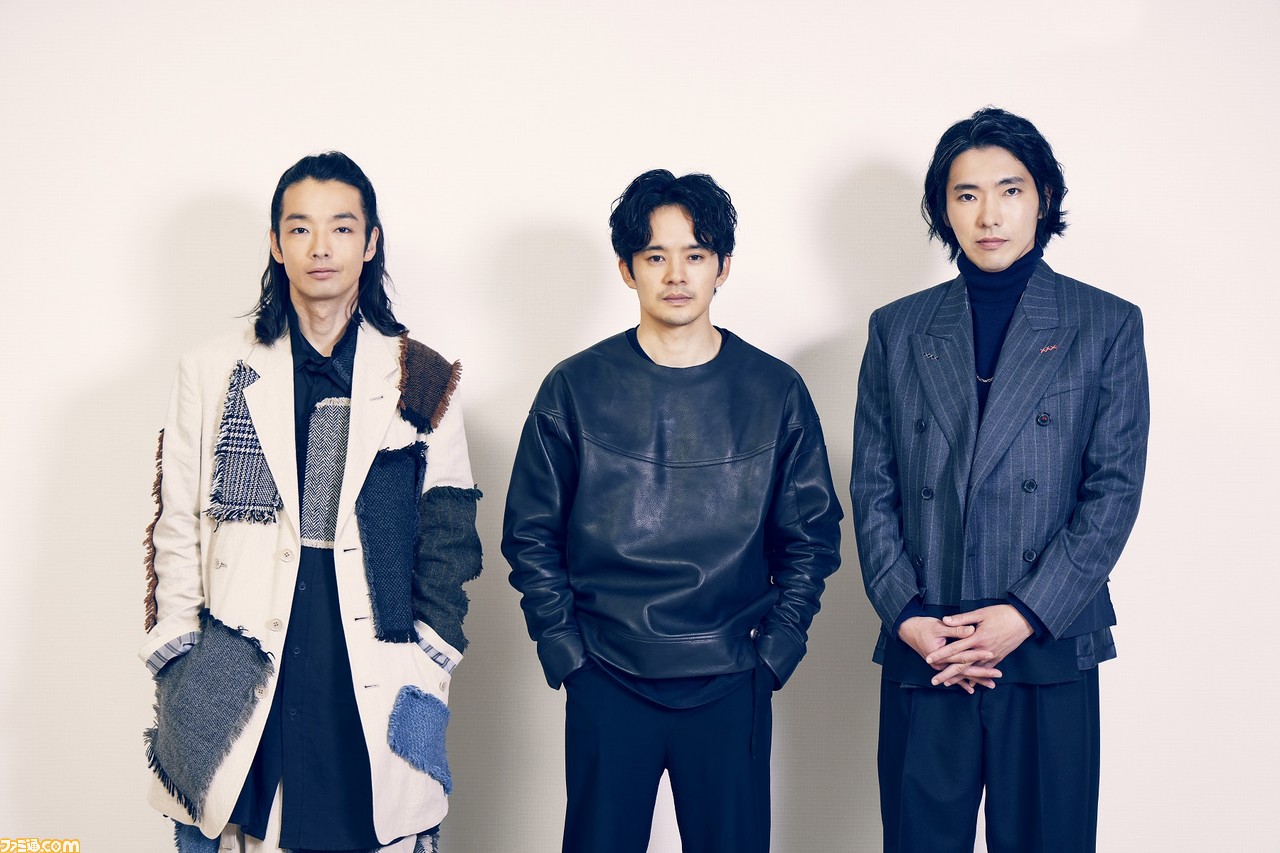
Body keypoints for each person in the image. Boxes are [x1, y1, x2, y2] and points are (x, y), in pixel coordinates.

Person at [141, 152, 483, 853]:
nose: (321, 247)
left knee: (369, 822)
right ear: (276, 244)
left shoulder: (421, 374)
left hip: (367, 652)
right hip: (239, 648)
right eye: (300, 228)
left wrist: (432, 648)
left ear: (371, 241)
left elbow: (448, 530)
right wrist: (177, 642)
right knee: (236, 824)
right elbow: (177, 518)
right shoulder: (211, 368)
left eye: (341, 228)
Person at [503, 169, 843, 853]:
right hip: (607, 674)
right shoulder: (573, 388)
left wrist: (774, 653)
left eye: (695, 254)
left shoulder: (775, 391)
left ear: (723, 267)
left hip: (731, 675)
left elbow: (811, 537)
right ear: (627, 270)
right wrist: (567, 653)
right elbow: (530, 534)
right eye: (656, 255)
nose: (677, 274)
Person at [851, 107, 1150, 852]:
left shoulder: (1105, 323)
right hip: (931, 638)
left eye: (1009, 190)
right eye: (967, 194)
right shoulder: (898, 327)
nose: (989, 215)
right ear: (943, 208)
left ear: (1042, 198)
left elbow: (1113, 491)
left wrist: (1023, 613)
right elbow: (872, 485)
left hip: (1048, 637)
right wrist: (906, 613)